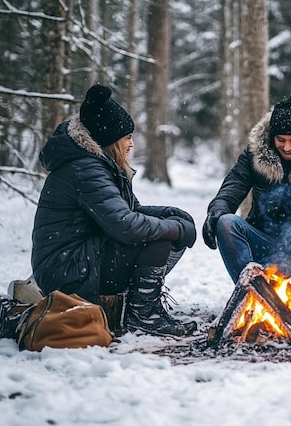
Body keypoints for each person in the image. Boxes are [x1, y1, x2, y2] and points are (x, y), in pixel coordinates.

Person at [32, 84, 198, 337]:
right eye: (127, 138)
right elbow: (126, 225)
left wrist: (172, 214)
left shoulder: (96, 164)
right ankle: (143, 314)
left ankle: (139, 306)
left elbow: (131, 210)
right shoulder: (86, 169)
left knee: (166, 227)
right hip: (65, 270)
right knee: (160, 238)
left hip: (76, 260)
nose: (131, 144)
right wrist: (176, 229)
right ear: (110, 139)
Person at [202, 92, 291, 306]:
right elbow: (232, 187)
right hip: (263, 244)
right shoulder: (253, 156)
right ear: (272, 137)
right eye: (281, 140)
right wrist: (216, 211)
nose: (287, 147)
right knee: (226, 222)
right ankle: (253, 298)